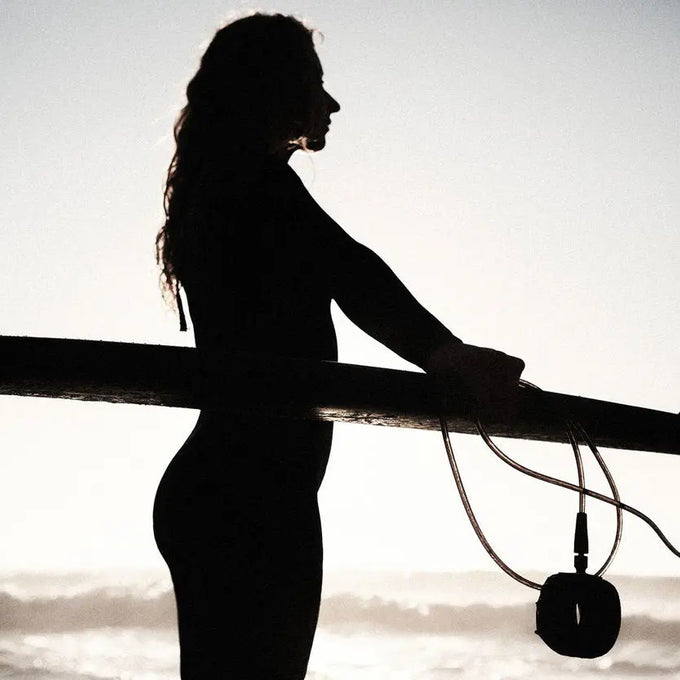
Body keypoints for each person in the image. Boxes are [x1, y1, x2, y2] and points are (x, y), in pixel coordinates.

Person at [153, 12, 524, 680]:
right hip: (251, 500)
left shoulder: (229, 188)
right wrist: (449, 355)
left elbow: (344, 269)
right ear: (272, 88)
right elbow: (352, 272)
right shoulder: (256, 187)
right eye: (314, 82)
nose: (331, 103)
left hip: (230, 491)